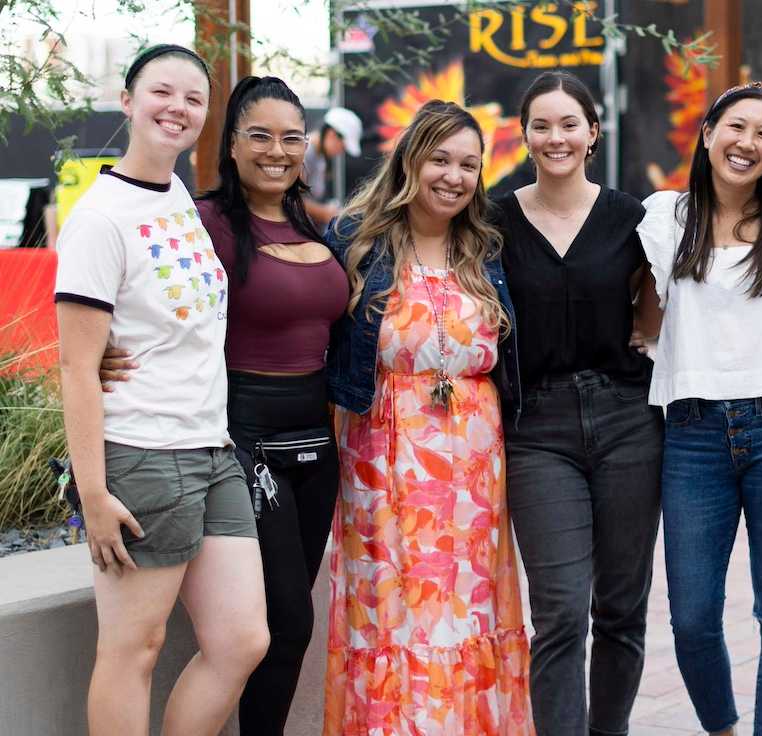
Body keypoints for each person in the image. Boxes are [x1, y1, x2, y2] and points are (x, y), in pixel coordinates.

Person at [99, 76, 348, 735]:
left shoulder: (318, 224)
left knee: (290, 629)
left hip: (316, 444)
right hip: (243, 441)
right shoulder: (200, 223)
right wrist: (100, 350)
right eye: (259, 135)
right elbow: (128, 282)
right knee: (282, 619)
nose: (277, 150)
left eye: (291, 137)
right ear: (230, 145)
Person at [54, 44, 269, 736]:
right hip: (142, 454)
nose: (177, 108)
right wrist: (92, 493)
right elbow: (75, 367)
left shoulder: (175, 194)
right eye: (161, 92)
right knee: (132, 650)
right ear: (127, 99)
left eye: (193, 99)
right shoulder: (99, 217)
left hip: (210, 449)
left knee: (242, 641)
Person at [322, 100, 532, 734]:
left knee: (464, 611)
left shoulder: (487, 249)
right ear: (410, 159)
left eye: (469, 164)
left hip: (472, 462)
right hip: (383, 454)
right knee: (391, 612)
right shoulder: (354, 241)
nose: (454, 176)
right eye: (440, 159)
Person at [635, 82, 762, 736]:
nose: (748, 143)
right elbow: (644, 310)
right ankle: (722, 729)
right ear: (709, 132)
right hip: (693, 435)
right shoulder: (666, 217)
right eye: (736, 127)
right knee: (690, 616)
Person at [492, 70, 664, 736]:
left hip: (627, 418)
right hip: (537, 427)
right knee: (561, 609)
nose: (555, 137)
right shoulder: (493, 218)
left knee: (621, 608)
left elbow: (652, 313)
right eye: (542, 124)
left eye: (570, 123)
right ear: (525, 133)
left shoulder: (632, 218)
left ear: (594, 132)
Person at [303, 106, 363, 228]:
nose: (341, 151)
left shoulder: (320, 158)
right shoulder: (303, 153)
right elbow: (288, 200)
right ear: (331, 134)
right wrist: (325, 212)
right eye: (343, 146)